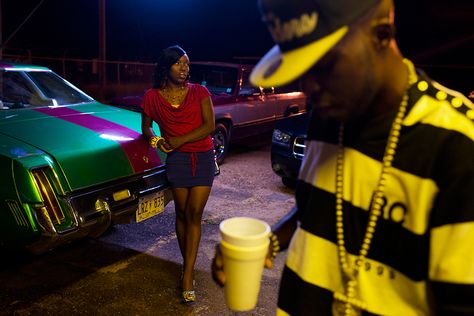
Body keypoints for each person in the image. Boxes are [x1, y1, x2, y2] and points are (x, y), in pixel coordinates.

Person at [212, 0, 474, 314]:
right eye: (302, 69)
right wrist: (270, 242)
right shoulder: (328, 117)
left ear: (381, 33)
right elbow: (315, 209)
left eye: (324, 64)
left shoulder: (457, 145)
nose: (309, 86)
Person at [141, 45, 216, 303]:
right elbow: (146, 127)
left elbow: (210, 126)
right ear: (166, 66)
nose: (185, 69)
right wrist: (157, 141)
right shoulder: (152, 96)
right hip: (177, 161)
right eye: (179, 64)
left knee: (195, 213)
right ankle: (188, 266)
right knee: (182, 212)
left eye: (187, 64)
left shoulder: (200, 92)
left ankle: (187, 274)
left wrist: (180, 140)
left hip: (203, 157)